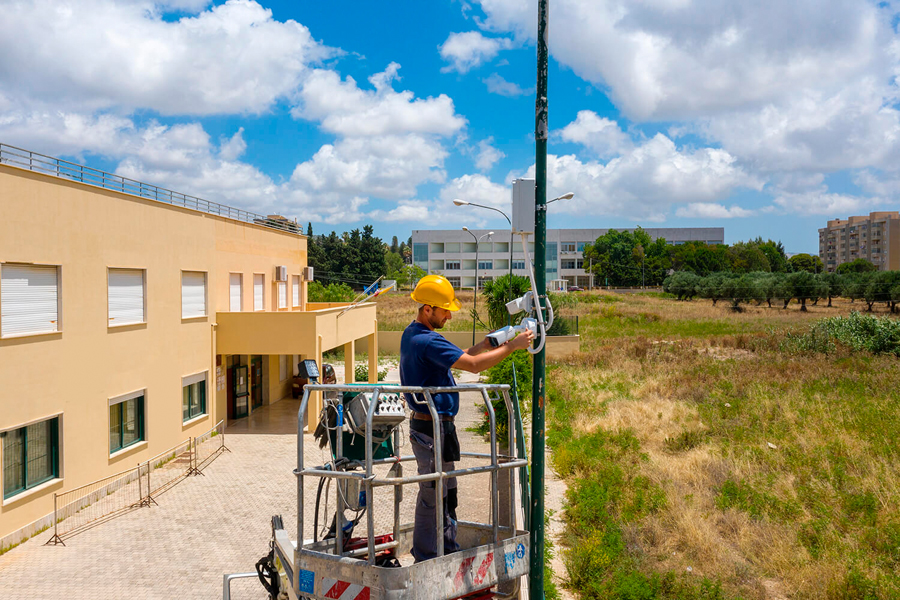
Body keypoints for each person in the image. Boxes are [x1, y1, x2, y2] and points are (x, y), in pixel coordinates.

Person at [399, 274, 534, 562]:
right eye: (444, 310)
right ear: (427, 309)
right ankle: (427, 555)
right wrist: (512, 346)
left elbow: (461, 356)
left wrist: (486, 344)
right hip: (431, 427)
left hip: (433, 427)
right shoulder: (427, 340)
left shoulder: (414, 335)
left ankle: (445, 549)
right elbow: (471, 367)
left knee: (445, 493)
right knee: (434, 494)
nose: (449, 315)